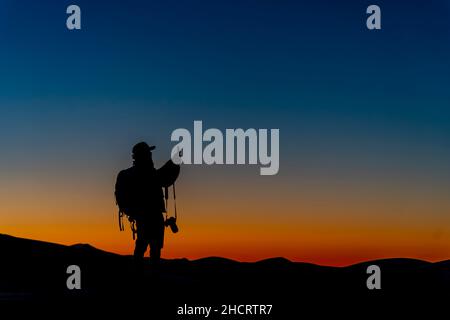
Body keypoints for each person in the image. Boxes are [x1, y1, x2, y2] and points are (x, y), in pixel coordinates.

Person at [115, 142, 166, 265]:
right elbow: (164, 178)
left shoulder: (144, 173)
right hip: (146, 216)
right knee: (149, 247)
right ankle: (145, 275)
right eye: (148, 153)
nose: (150, 155)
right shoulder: (142, 174)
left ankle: (141, 274)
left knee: (147, 246)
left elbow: (164, 177)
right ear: (143, 155)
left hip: (148, 216)